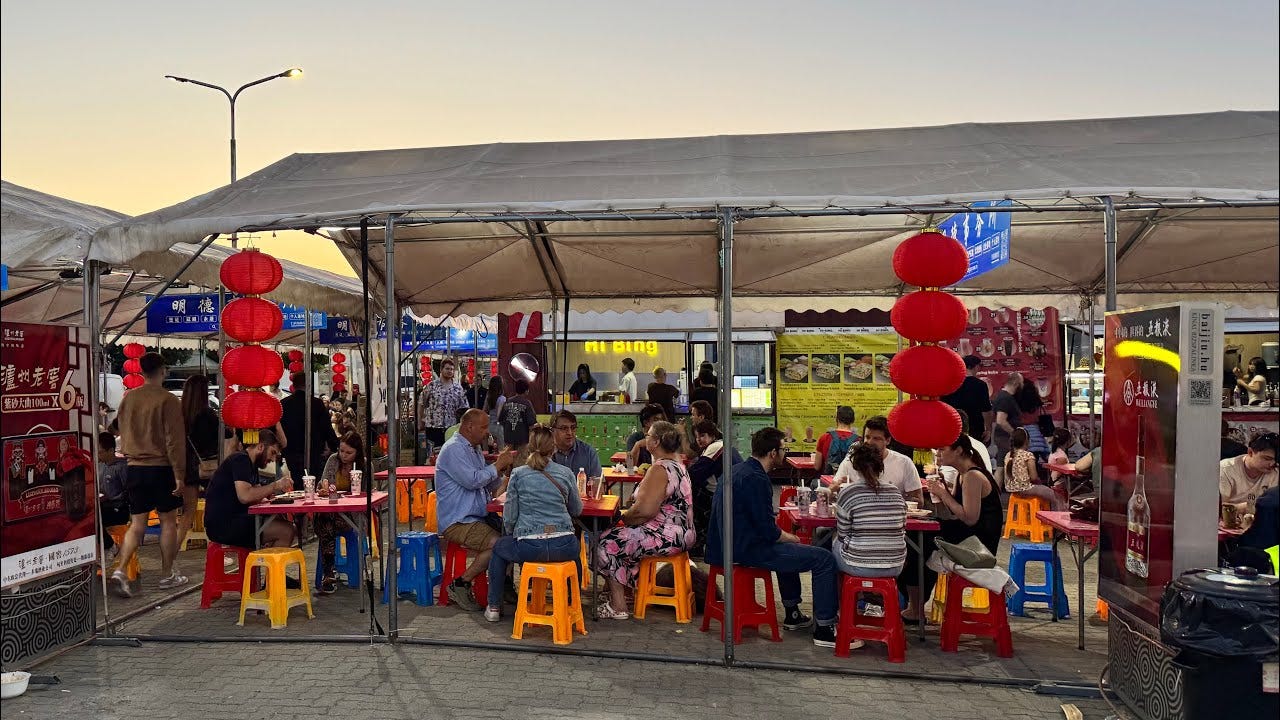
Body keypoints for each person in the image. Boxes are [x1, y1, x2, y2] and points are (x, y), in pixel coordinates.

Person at [706, 427, 839, 646]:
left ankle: (792, 613)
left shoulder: (736, 470)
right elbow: (768, 532)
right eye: (782, 449)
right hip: (746, 549)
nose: (784, 453)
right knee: (823, 558)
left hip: (723, 545)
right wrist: (790, 537)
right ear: (772, 453)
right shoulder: (757, 479)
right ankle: (824, 627)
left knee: (790, 553)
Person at [595, 421, 696, 619]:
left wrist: (623, 518)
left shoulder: (660, 469)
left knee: (604, 543)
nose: (645, 438)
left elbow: (645, 511)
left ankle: (618, 605)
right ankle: (629, 590)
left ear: (656, 442)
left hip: (664, 535)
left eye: (648, 436)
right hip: (682, 533)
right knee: (620, 537)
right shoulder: (678, 465)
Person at [109, 352, 189, 596]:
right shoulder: (169, 400)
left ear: (141, 371)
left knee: (137, 524)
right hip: (162, 467)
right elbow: (175, 441)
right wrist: (179, 474)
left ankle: (121, 569)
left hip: (134, 468)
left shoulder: (128, 399)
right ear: (163, 370)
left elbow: (115, 428)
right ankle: (167, 575)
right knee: (167, 522)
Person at [484, 425, 582, 622]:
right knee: (575, 556)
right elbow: (577, 509)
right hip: (563, 544)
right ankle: (572, 602)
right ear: (553, 447)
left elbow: (510, 516)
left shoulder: (518, 475)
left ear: (529, 448)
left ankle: (494, 606)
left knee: (498, 549)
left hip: (529, 546)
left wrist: (513, 534)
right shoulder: (566, 473)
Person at [436, 409, 517, 611]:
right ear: (469, 427)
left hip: (479, 516)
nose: (487, 432)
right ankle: (462, 582)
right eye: (483, 427)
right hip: (459, 521)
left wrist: (505, 473)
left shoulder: (473, 449)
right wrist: (497, 465)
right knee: (500, 545)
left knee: (513, 537)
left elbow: (489, 483)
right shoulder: (453, 449)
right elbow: (473, 481)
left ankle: (503, 584)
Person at [203, 430, 297, 552]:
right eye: (272, 453)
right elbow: (245, 496)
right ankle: (269, 569)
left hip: (233, 519)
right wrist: (275, 485)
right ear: (261, 447)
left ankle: (265, 566)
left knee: (281, 523)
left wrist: (272, 499)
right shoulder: (241, 460)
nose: (273, 459)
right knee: (287, 531)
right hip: (223, 525)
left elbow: (256, 496)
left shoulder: (252, 465)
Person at [832, 443, 907, 581]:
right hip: (895, 565)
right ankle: (873, 596)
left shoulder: (849, 492)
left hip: (858, 565)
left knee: (834, 541)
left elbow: (842, 533)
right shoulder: (895, 492)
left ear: (855, 466)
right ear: (881, 466)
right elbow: (902, 528)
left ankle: (845, 599)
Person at [930, 434, 1006, 556]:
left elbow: (970, 519)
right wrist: (942, 485)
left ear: (958, 450)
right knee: (929, 527)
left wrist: (943, 493)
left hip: (979, 541)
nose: (937, 453)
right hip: (970, 534)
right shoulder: (962, 473)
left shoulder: (973, 475)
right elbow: (954, 509)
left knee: (926, 537)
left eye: (942, 449)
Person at [314, 432, 365, 594]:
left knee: (325, 523)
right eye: (341, 450)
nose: (343, 455)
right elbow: (323, 484)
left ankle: (329, 572)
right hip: (330, 511)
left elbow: (366, 495)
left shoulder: (363, 466)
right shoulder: (332, 460)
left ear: (357, 453)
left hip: (350, 515)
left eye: (349, 453)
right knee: (325, 519)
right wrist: (322, 489)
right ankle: (329, 573)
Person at [830, 416, 923, 505]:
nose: (870, 442)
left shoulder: (904, 462)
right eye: (867, 437)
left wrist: (897, 501)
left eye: (876, 438)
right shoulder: (851, 461)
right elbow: (831, 494)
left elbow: (918, 501)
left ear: (888, 440)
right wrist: (837, 489)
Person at [179, 374, 223, 548]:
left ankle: (172, 552)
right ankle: (216, 545)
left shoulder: (181, 415)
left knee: (187, 513)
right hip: (208, 466)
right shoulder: (208, 415)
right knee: (215, 507)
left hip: (187, 467)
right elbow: (222, 435)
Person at [687, 420, 743, 557]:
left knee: (690, 497)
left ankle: (698, 541)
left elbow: (695, 473)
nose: (699, 440)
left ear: (712, 435)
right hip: (732, 493)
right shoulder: (722, 445)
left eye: (703, 435)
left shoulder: (716, 447)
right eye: (697, 436)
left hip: (729, 497)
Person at [280, 371, 340, 488]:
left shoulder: (284, 404)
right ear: (309, 385)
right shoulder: (317, 404)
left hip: (291, 453)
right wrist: (335, 446)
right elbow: (327, 428)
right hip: (314, 452)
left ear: (294, 385)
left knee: (297, 483)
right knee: (313, 483)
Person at [1004, 428, 1065, 510]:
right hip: (1026, 489)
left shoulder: (1008, 455)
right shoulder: (1028, 455)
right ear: (1027, 441)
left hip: (1012, 489)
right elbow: (1034, 477)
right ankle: (1057, 519)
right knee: (1055, 496)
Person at [1219, 432, 1279, 511]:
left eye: (1276, 460)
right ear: (1250, 452)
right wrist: (1250, 506)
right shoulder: (1226, 469)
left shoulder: (1275, 471)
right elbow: (1220, 508)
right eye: (1267, 459)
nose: (1272, 464)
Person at [420, 358, 470, 452]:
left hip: (451, 427)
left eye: (451, 369)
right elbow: (421, 403)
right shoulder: (431, 386)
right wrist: (420, 420)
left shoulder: (458, 389)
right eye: (447, 369)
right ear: (441, 370)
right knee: (434, 456)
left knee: (450, 454)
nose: (449, 371)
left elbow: (464, 408)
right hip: (433, 427)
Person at [942, 355, 993, 443]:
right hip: (975, 428)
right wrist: (988, 429)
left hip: (953, 427)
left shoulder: (949, 384)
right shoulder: (980, 385)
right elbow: (986, 409)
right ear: (976, 366)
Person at [97, 432, 130, 560]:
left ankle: (111, 546)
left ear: (111, 450)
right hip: (102, 505)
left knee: (94, 519)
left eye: (100, 452)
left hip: (118, 509)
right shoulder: (99, 465)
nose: (98, 455)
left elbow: (129, 491)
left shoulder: (122, 467)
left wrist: (114, 497)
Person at [549, 410, 602, 480]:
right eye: (564, 428)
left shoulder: (589, 452)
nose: (570, 433)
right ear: (552, 431)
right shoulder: (545, 453)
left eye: (573, 428)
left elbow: (597, 485)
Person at [813, 406, 858, 476]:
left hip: (829, 482)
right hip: (850, 483)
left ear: (837, 419)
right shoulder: (859, 441)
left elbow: (817, 466)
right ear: (853, 420)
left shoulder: (824, 438)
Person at [991, 373, 1024, 465]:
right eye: (1021, 382)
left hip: (1005, 438)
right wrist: (1014, 433)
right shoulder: (1005, 398)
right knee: (1002, 465)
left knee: (1003, 465)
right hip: (1005, 438)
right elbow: (1001, 421)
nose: (1022, 385)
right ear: (1015, 383)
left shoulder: (1006, 397)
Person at [1015, 381, 1051, 460]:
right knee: (1034, 459)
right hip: (1036, 433)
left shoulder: (1016, 400)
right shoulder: (1036, 400)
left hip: (1021, 433)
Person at [499, 378, 537, 451]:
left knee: (509, 459)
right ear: (526, 391)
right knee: (521, 460)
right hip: (522, 439)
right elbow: (531, 423)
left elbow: (501, 420)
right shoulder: (527, 403)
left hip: (508, 438)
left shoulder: (507, 402)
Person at [625, 404, 667, 468]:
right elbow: (629, 467)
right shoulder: (634, 438)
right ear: (646, 423)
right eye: (656, 420)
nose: (660, 423)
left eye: (661, 420)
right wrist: (637, 445)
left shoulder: (665, 438)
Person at [483, 376, 506, 448]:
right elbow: (499, 415)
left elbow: (484, 411)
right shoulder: (502, 399)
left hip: (488, 426)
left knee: (486, 450)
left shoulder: (488, 397)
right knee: (501, 451)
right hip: (499, 427)